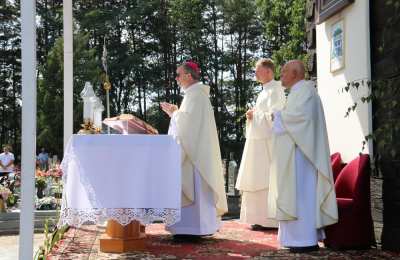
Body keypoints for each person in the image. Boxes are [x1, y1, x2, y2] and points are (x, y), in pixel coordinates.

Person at [266, 60, 338, 252]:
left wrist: (278, 115)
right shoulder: (298, 92)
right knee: (295, 196)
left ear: (296, 73)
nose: (281, 74)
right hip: (295, 156)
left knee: (302, 196)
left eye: (284, 71)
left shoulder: (305, 92)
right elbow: (294, 117)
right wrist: (281, 115)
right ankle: (294, 239)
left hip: (302, 158)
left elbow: (299, 119)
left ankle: (304, 240)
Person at [161, 61, 228, 240]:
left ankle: (191, 229)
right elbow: (188, 122)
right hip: (196, 152)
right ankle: (194, 228)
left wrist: (174, 114)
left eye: (178, 74)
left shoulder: (196, 95)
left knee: (194, 188)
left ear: (188, 76)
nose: (176, 78)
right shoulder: (194, 94)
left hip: (195, 157)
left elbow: (188, 125)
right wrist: (176, 112)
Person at [235, 58, 285, 230]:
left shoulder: (276, 91)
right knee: (257, 178)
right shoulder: (263, 92)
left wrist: (254, 115)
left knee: (266, 179)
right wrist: (253, 115)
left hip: (268, 145)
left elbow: (275, 117)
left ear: (269, 71)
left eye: (258, 70)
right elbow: (263, 115)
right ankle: (259, 218)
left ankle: (270, 220)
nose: (255, 73)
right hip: (258, 144)